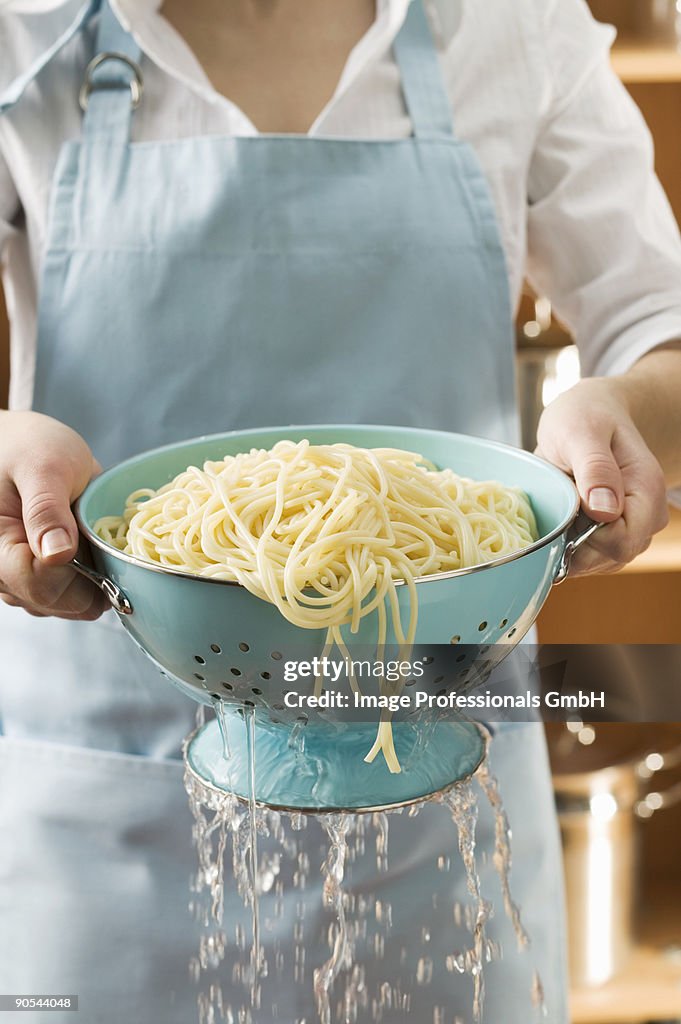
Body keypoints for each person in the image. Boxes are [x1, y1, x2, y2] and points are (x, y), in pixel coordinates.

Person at [0, 0, 680, 1021]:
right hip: (109, 818)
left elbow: (658, 318)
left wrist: (625, 407)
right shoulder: (24, 33)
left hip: (437, 803)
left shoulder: (509, 24)